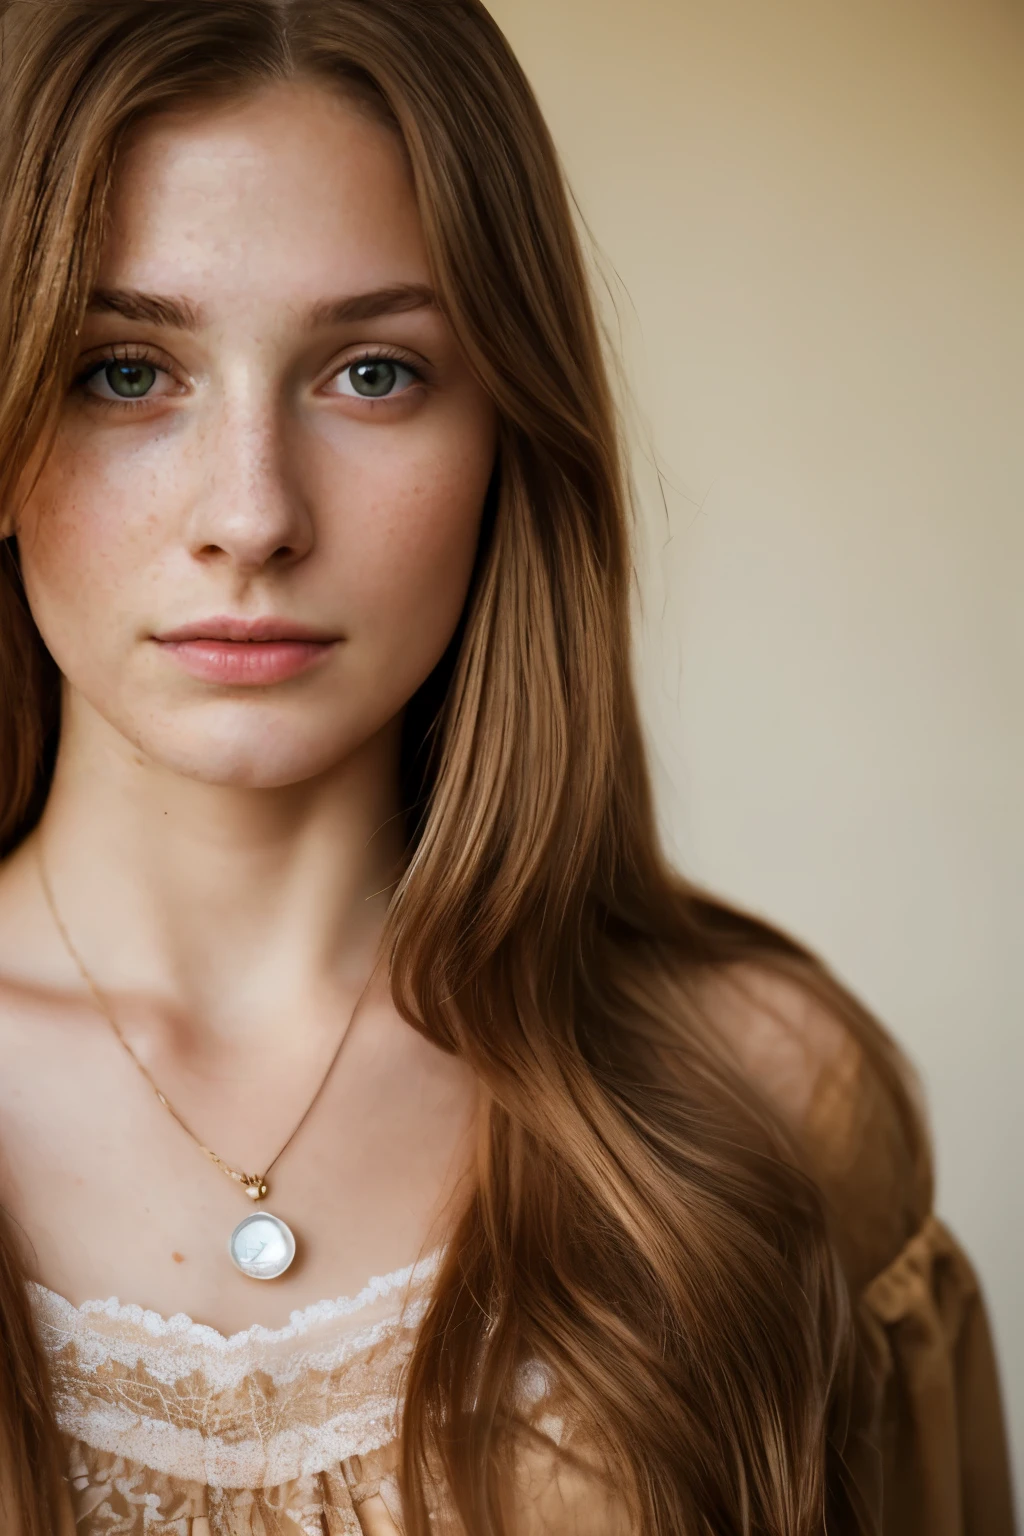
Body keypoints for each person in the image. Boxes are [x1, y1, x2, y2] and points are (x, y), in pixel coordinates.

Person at [0, 1, 1014, 1533]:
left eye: (373, 374)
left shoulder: (765, 1103)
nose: (254, 516)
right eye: (125, 371)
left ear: (508, 435)